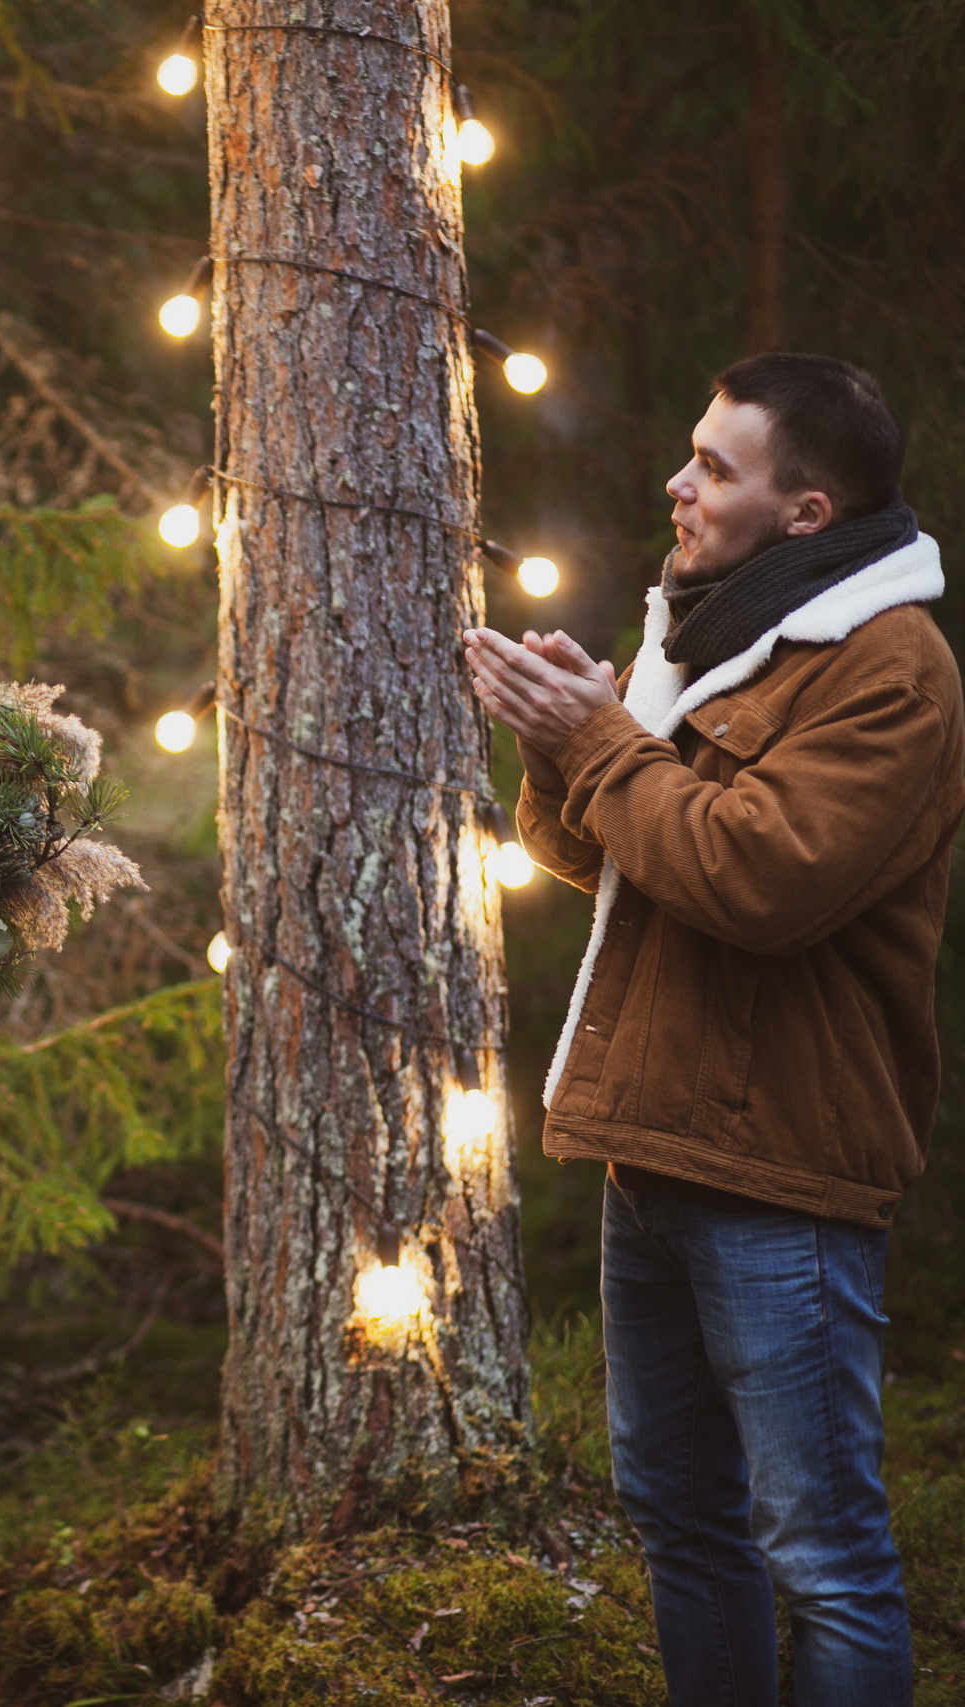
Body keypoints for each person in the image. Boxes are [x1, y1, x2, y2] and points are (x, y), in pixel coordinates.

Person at [464, 353, 955, 1707]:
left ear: (805, 512)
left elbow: (761, 877)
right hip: (656, 1148)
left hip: (782, 1169)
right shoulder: (714, 620)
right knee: (683, 1518)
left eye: (717, 467)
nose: (678, 483)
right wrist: (567, 737)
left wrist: (609, 738)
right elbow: (615, 858)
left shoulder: (888, 664)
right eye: (689, 451)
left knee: (825, 1555)